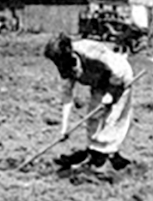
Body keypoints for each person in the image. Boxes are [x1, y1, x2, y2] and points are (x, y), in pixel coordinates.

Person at [43, 32, 134, 172]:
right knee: (93, 116)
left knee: (113, 117)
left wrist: (110, 93)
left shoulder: (91, 51)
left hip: (119, 78)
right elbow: (67, 97)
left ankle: (108, 157)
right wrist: (64, 128)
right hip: (99, 82)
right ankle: (94, 154)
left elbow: (117, 70)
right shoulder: (65, 65)